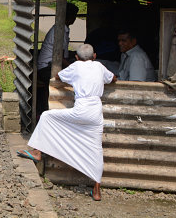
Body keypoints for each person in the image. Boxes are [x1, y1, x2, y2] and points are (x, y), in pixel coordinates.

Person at [18, 44, 116, 201]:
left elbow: (58, 77)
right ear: (94, 56)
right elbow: (113, 78)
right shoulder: (99, 66)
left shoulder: (76, 66)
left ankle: (37, 152)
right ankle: (96, 190)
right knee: (96, 149)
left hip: (81, 109)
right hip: (96, 112)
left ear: (77, 57)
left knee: (46, 117)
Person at [35, 3, 79, 117]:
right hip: (46, 67)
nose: (74, 18)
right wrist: (73, 67)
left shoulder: (63, 29)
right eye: (74, 15)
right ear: (68, 16)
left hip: (50, 64)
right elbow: (59, 57)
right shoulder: (58, 31)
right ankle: (56, 110)